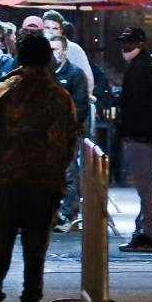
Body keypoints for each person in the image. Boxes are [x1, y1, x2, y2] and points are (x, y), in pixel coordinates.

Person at [0, 34, 80, 302]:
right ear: (48, 59)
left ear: (19, 58)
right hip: (44, 184)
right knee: (35, 250)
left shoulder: (2, 92)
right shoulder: (61, 97)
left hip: (6, 181)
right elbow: (71, 140)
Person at [114, 26, 152, 253]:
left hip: (141, 137)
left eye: (129, 42)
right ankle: (144, 230)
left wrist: (128, 134)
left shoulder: (139, 69)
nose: (124, 47)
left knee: (145, 188)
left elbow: (135, 106)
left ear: (140, 43)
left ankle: (147, 234)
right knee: (146, 186)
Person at [48, 33, 93, 228]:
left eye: (56, 50)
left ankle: (67, 214)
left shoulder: (75, 74)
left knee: (69, 172)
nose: (53, 54)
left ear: (65, 51)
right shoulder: (47, 74)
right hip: (47, 134)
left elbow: (81, 106)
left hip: (68, 133)